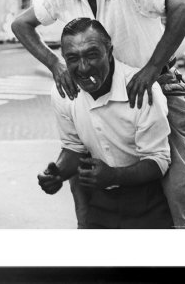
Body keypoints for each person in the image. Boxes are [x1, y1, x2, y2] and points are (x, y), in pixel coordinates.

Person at [12, 0, 185, 228]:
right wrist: (56, 64)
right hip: (95, 96)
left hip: (151, 92)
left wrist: (151, 69)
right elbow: (21, 24)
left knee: (178, 186)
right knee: (80, 180)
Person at [38, 18, 173, 229]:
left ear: (109, 53)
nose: (83, 68)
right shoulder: (63, 93)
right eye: (72, 58)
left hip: (148, 202)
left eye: (92, 55)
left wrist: (114, 175)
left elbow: (158, 160)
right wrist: (58, 173)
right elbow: (74, 148)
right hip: (99, 202)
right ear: (63, 59)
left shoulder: (142, 89)